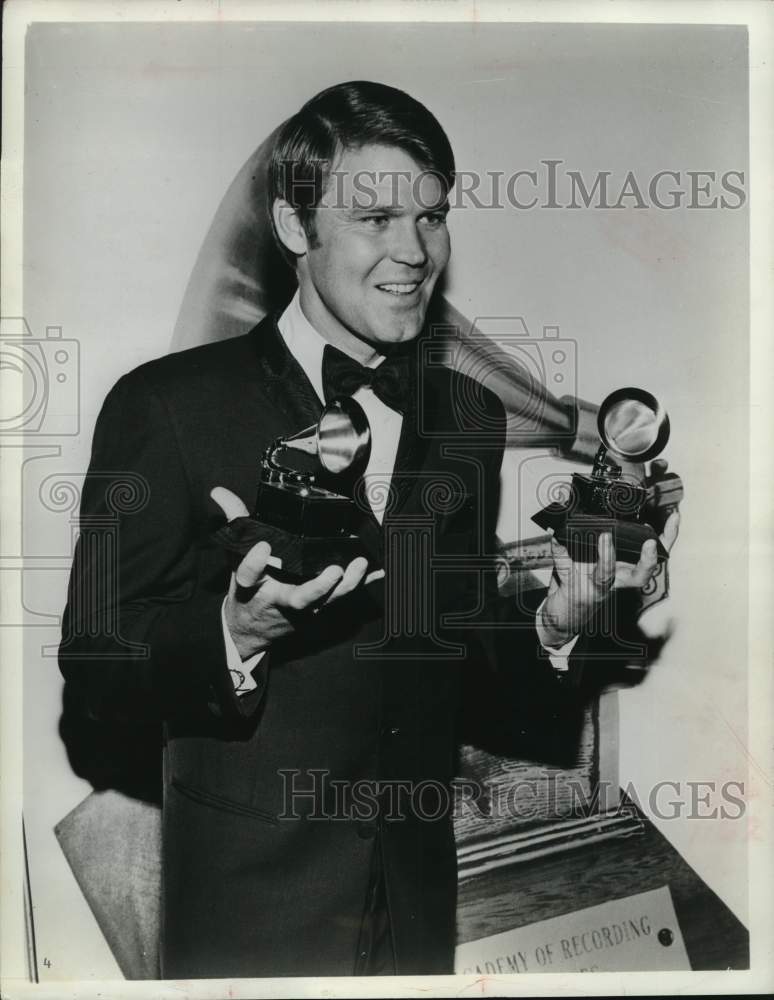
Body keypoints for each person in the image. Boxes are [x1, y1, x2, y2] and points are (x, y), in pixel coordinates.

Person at [59, 80, 678, 978]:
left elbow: (451, 640)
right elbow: (96, 658)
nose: (414, 251)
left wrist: (558, 621)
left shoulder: (467, 415)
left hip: (418, 905)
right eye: (376, 218)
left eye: (430, 218)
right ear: (291, 226)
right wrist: (234, 633)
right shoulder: (164, 406)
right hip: (249, 913)